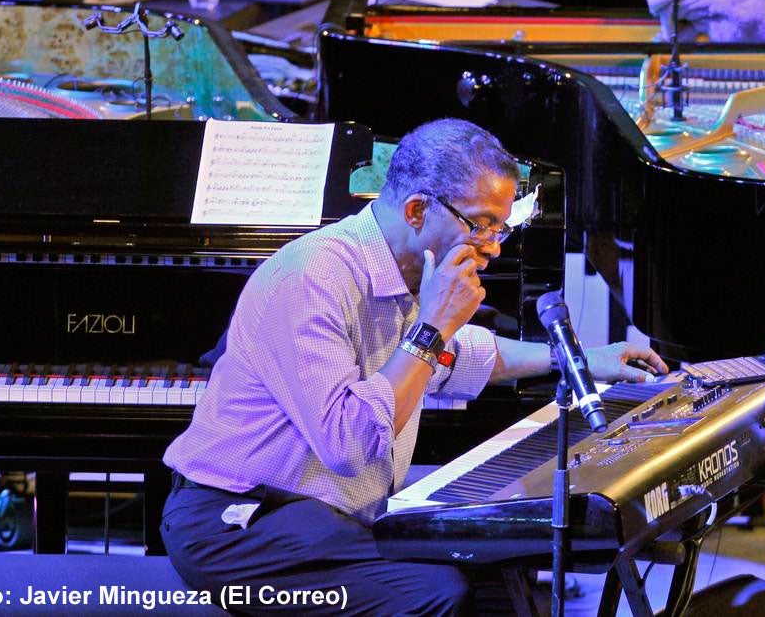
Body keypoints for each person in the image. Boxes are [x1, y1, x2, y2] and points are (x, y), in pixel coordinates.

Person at [160, 118, 668, 615]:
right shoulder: (312, 279)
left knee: (496, 558)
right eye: (481, 224)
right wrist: (433, 326)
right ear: (417, 209)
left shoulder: (402, 269)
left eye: (502, 226)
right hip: (237, 523)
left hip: (323, 514)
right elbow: (350, 447)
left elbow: (459, 355)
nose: (492, 246)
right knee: (437, 590)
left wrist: (577, 360)